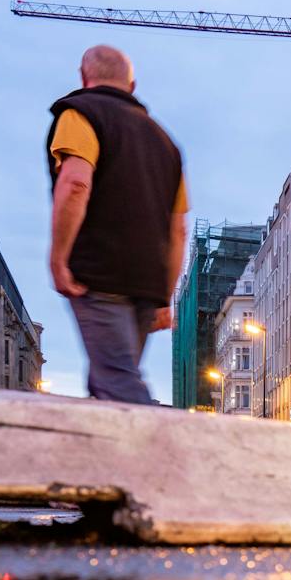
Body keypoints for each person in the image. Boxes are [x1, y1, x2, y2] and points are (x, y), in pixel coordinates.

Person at [47, 45, 188, 405]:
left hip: (99, 272)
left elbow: (76, 184)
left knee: (117, 384)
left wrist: (59, 258)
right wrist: (164, 299)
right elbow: (178, 230)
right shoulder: (166, 143)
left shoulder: (81, 114)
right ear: (132, 84)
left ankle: (174, 457)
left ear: (84, 76)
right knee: (108, 380)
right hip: (147, 282)